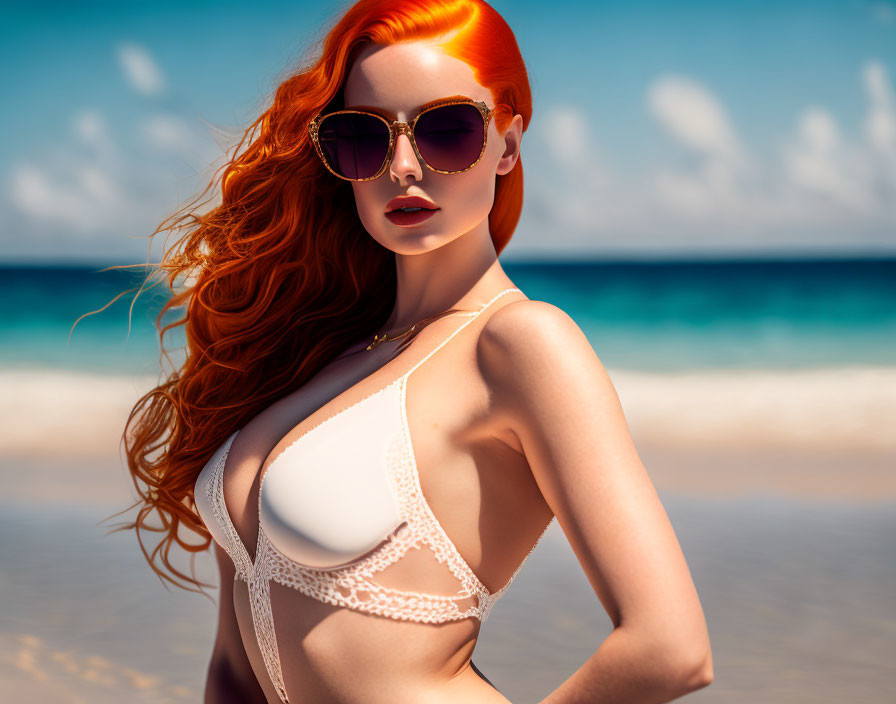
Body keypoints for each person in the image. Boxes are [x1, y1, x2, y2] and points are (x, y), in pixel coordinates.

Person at [113, 1, 712, 702]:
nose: (403, 166)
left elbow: (669, 647)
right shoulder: (319, 357)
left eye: (447, 131)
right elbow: (232, 670)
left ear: (508, 145)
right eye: (364, 139)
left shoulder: (521, 344)